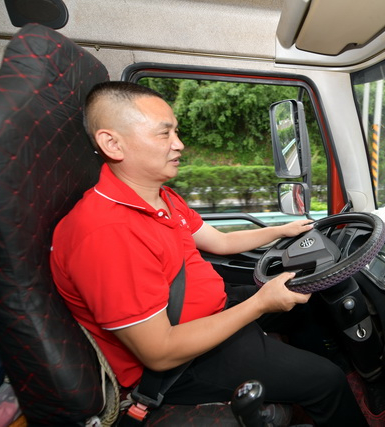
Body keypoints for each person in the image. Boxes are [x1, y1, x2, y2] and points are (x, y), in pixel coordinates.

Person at [50, 81, 368, 426]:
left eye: (176, 132)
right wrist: (260, 304)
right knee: (326, 381)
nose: (179, 144)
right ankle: (325, 382)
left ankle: (320, 372)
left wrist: (281, 230)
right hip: (181, 363)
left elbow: (220, 243)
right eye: (164, 133)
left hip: (210, 310)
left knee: (307, 301)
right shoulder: (104, 234)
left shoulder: (162, 197)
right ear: (112, 143)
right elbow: (160, 352)